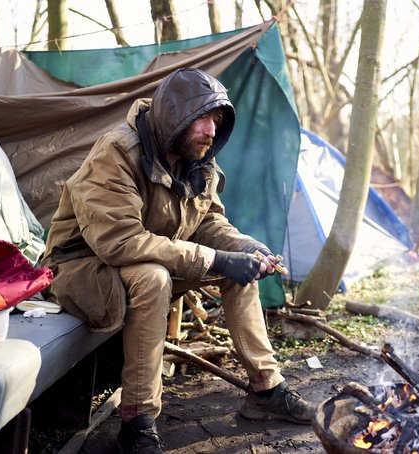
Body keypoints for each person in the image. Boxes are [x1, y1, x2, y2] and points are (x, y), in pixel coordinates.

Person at [41, 68, 315, 454]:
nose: (211, 131)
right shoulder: (116, 151)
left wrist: (246, 248)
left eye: (217, 121)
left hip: (147, 259)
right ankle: (138, 422)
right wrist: (217, 259)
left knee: (238, 268)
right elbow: (119, 241)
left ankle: (266, 390)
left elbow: (208, 222)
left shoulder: (197, 158)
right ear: (174, 115)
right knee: (153, 277)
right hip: (81, 267)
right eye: (202, 119)